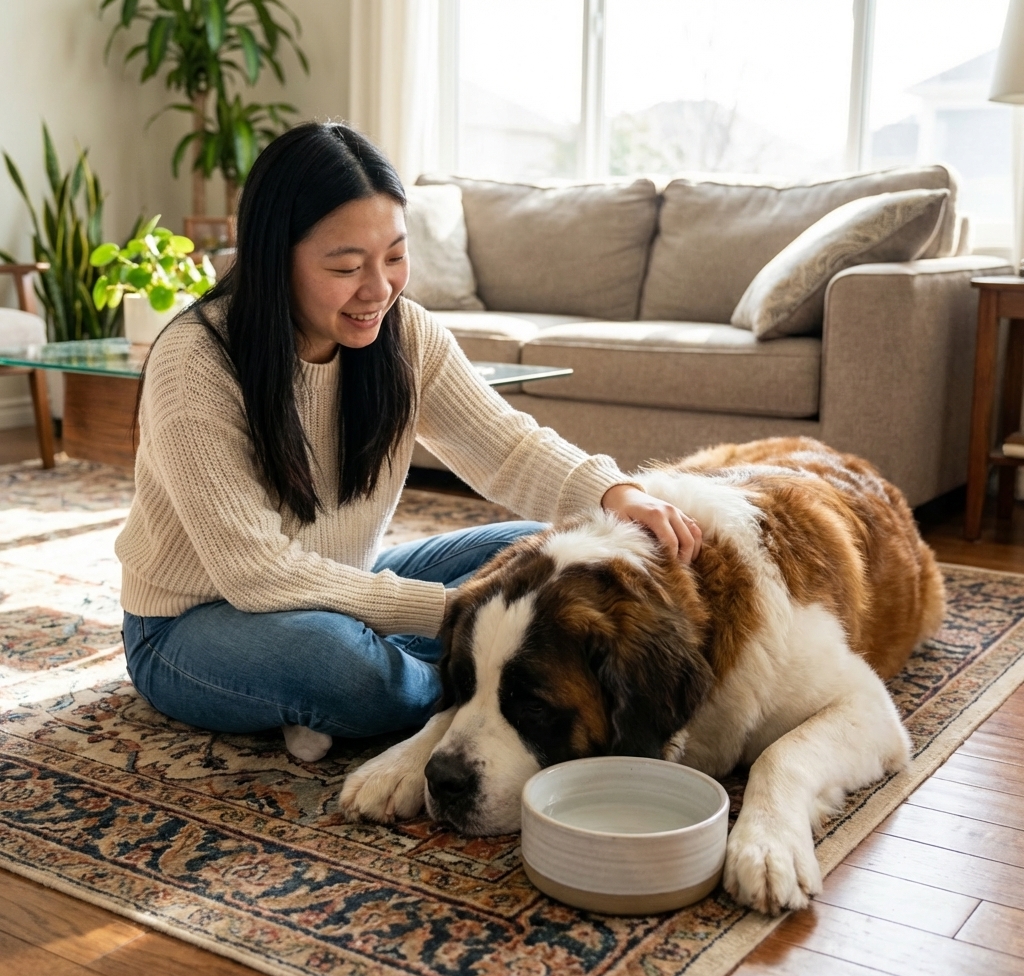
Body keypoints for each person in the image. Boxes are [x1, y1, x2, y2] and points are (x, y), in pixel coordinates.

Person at [117, 121, 701, 763]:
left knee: (534, 555)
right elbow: (257, 573)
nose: (379, 289)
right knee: (345, 669)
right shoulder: (196, 361)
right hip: (190, 625)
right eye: (346, 266)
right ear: (273, 256)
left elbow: (506, 446)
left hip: (340, 585)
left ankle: (356, 694)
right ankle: (437, 689)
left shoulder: (405, 334)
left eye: (394, 257)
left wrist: (614, 492)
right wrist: (459, 618)